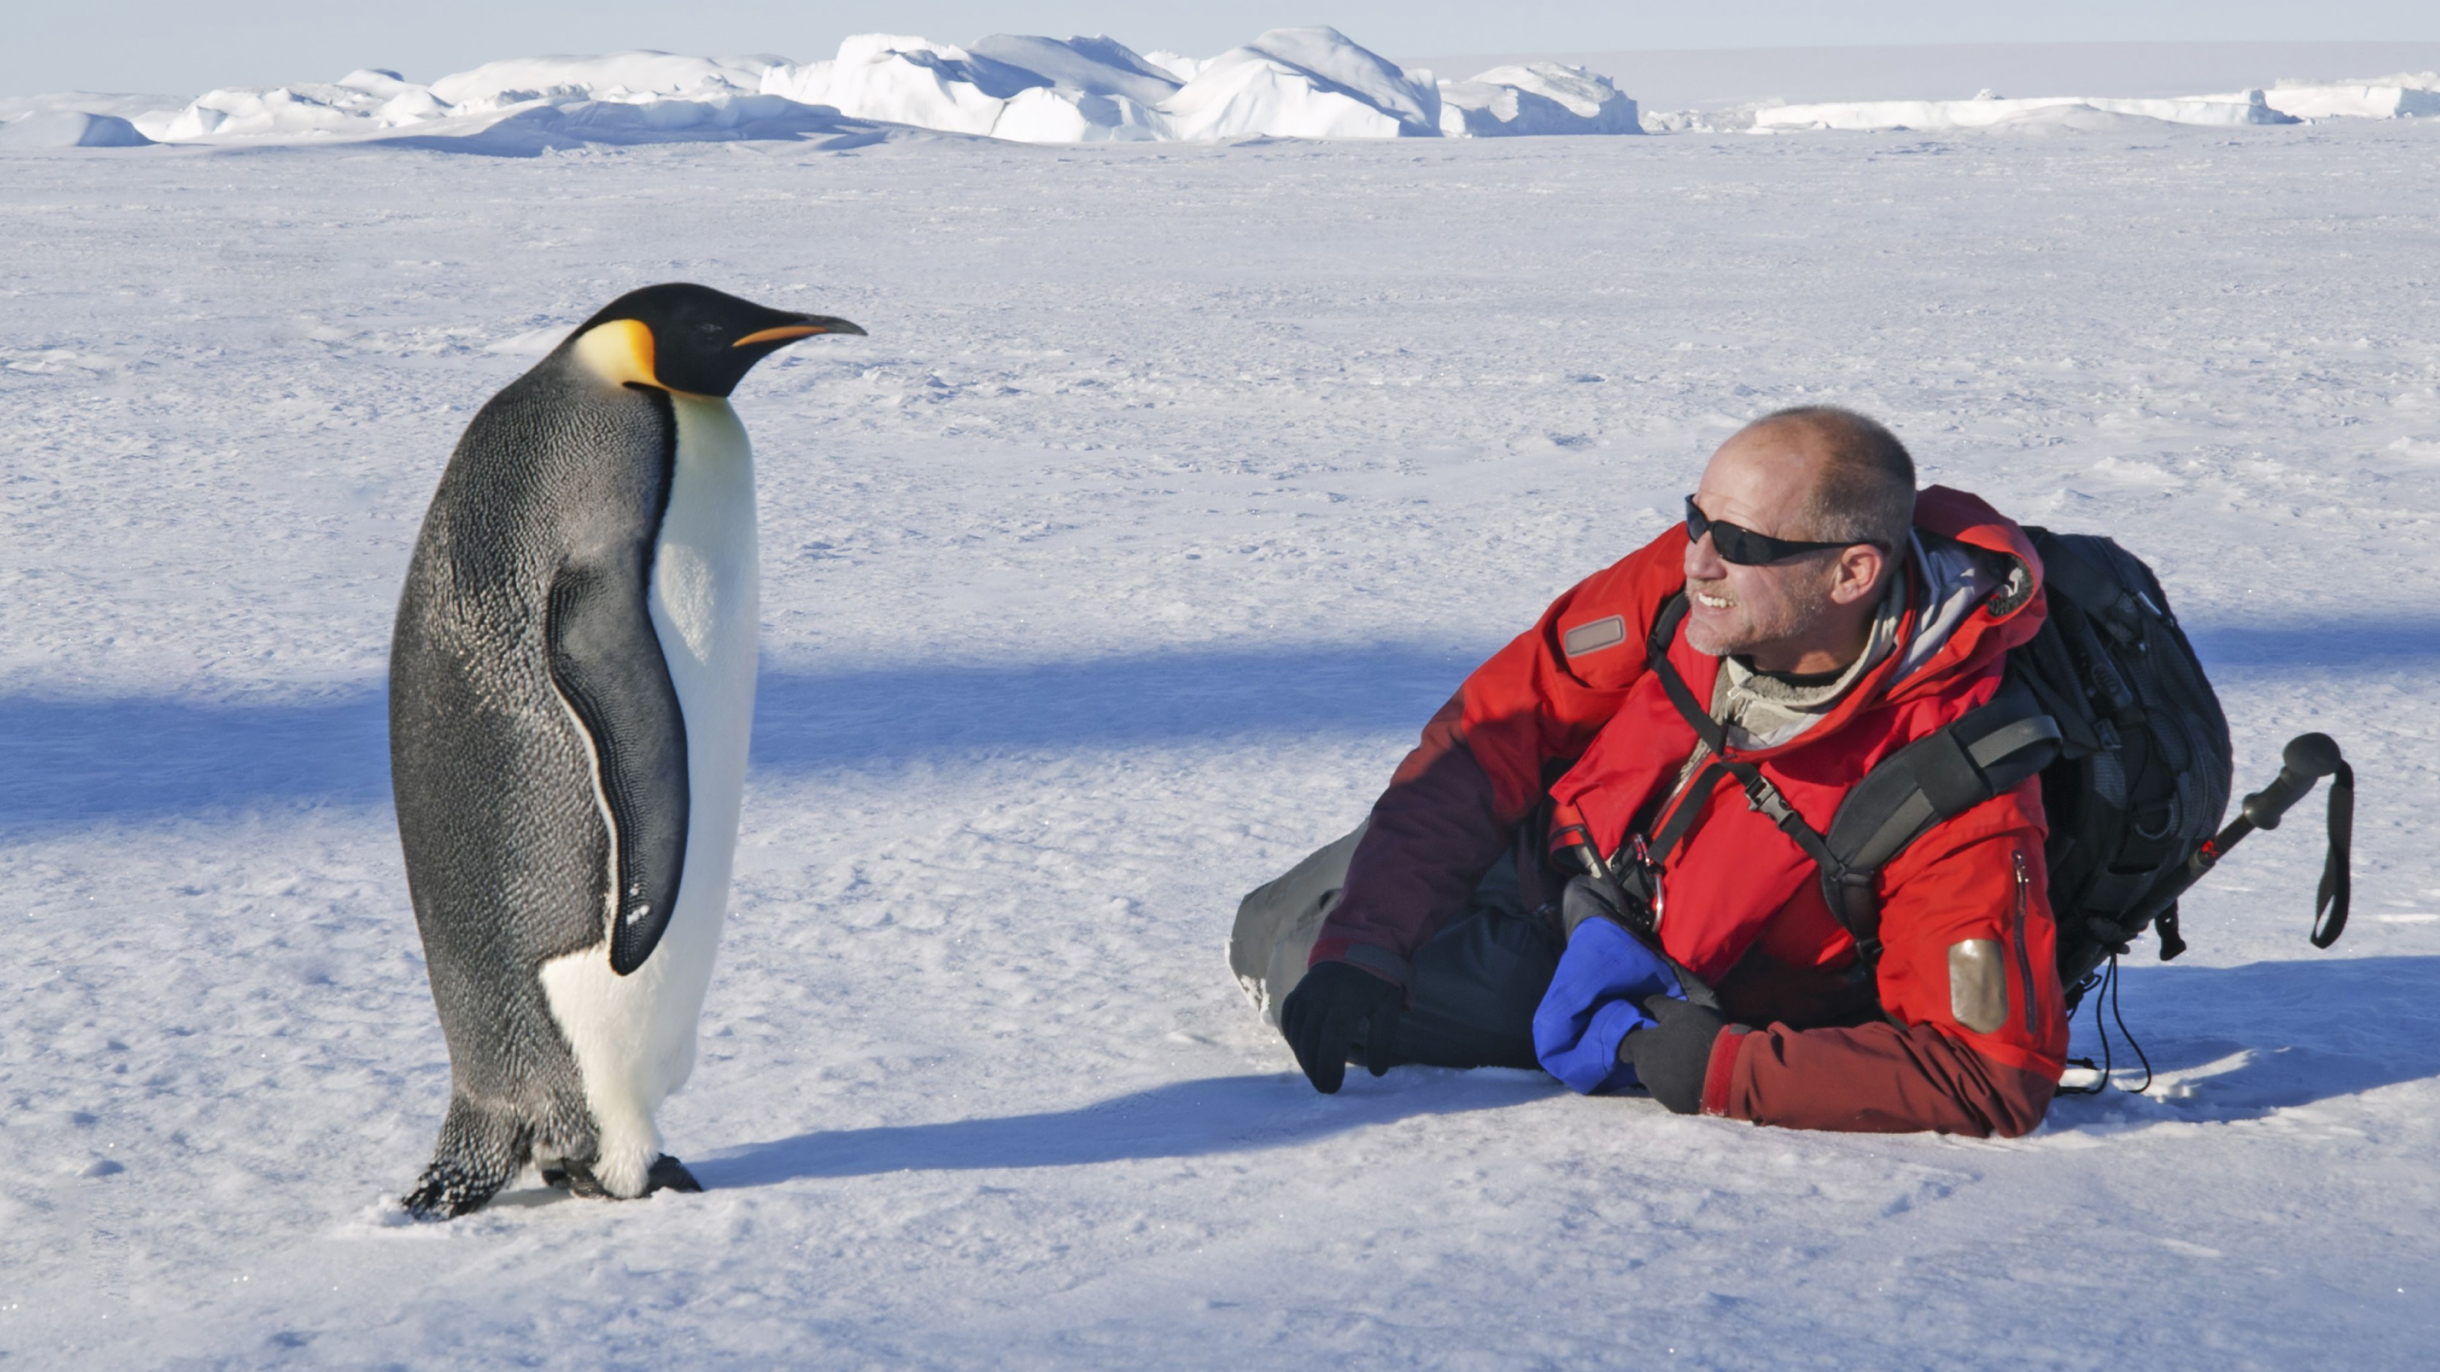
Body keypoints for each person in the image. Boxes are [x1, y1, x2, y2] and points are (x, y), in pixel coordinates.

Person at [1228, 407, 2068, 1136]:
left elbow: (1989, 1074)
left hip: (1632, 981)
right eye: (1696, 520)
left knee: (1293, 957)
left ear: (1853, 572)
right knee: (1282, 928)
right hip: (1548, 858)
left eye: (1739, 543)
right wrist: (1370, 941)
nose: (1697, 560)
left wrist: (1714, 1066)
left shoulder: (1953, 782)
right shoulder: (1686, 586)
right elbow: (1495, 733)